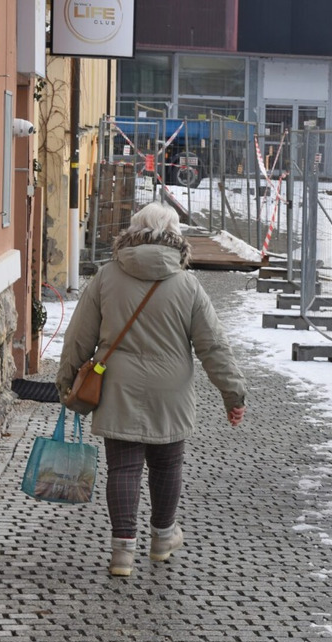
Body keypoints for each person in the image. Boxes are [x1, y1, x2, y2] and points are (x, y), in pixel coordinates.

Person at [57, 201, 247, 577]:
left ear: (133, 231)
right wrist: (233, 393)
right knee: (167, 464)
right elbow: (213, 345)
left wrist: (66, 383)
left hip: (117, 385)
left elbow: (79, 336)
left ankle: (122, 553)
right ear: (175, 236)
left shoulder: (107, 276)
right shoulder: (187, 284)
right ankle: (162, 539)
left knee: (123, 468)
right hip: (170, 388)